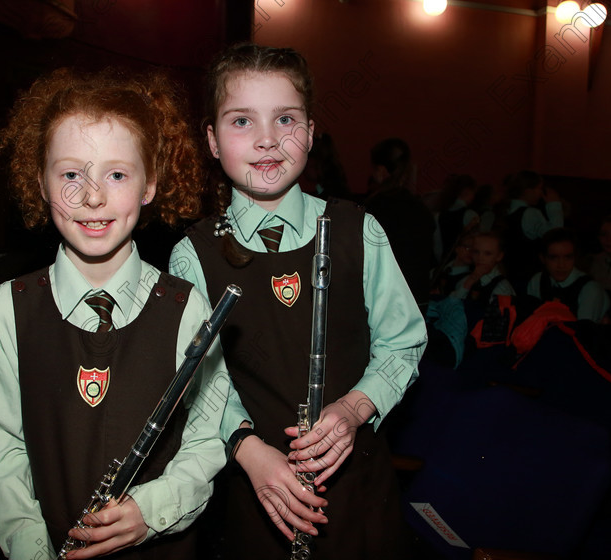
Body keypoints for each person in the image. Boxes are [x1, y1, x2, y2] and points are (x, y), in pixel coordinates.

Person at [168, 43, 427, 559]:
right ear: (212, 141)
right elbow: (198, 382)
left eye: (285, 119)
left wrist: (355, 408)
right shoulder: (191, 255)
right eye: (241, 121)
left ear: (309, 132)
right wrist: (248, 449)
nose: (267, 139)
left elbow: (404, 343)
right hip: (254, 495)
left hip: (361, 500)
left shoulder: (360, 230)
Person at [0, 68, 229, 560]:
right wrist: (30, 545)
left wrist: (154, 508)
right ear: (40, 183)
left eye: (117, 174)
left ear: (149, 185)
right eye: (70, 174)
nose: (92, 196)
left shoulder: (186, 304)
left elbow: (207, 438)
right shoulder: (5, 310)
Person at [363, 137, 436, 308]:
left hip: (385, 298)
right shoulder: (420, 208)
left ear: (380, 170)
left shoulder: (374, 207)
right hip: (417, 296)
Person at [526, 228, 609, 323]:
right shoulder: (537, 281)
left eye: (568, 257)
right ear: (543, 258)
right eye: (553, 258)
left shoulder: (589, 289)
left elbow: (584, 332)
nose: (561, 265)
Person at [503, 170, 564, 292]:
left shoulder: (504, 210)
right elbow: (554, 236)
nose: (541, 193)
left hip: (508, 273)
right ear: (527, 191)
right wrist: (554, 205)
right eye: (539, 188)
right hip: (527, 276)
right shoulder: (530, 213)